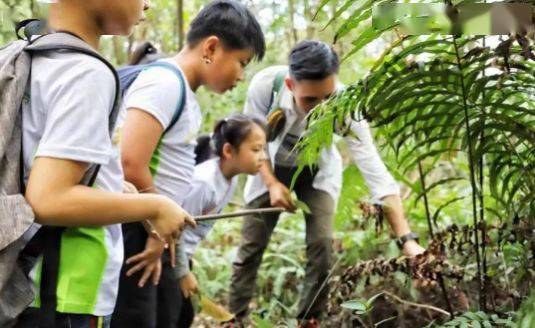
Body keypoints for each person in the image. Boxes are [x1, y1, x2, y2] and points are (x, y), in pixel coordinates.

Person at [14, 1, 194, 327]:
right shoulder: (87, 72)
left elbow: (32, 163)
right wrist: (154, 206)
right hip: (64, 288)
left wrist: (110, 186)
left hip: (21, 280)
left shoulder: (31, 53)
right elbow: (48, 198)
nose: (148, 4)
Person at [227, 40, 426, 327]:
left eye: (328, 97)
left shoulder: (346, 105)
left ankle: (309, 318)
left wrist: (407, 240)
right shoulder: (265, 85)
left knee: (321, 246)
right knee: (251, 245)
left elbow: (375, 172)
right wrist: (271, 184)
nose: (322, 109)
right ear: (291, 85)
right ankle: (234, 318)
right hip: (268, 166)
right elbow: (253, 143)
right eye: (310, 100)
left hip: (316, 172)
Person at [111, 1, 266, 327]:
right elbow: (130, 162)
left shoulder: (182, 90)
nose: (241, 76)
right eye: (241, 62)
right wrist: (155, 224)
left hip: (155, 228)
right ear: (211, 47)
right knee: (137, 318)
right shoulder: (165, 83)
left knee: (169, 315)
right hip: (138, 228)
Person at [174, 114, 267, 327]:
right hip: (168, 254)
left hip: (181, 256)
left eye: (263, 149)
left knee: (184, 315)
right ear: (228, 151)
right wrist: (182, 273)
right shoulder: (204, 183)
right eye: (255, 150)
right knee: (175, 316)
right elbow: (174, 228)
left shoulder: (229, 179)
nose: (262, 157)